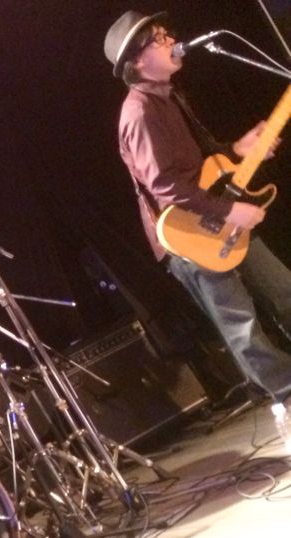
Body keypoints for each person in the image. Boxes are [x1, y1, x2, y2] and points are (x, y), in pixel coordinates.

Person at [105, 10, 291, 443]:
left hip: (214, 215)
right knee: (243, 327)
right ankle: (287, 396)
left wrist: (236, 150)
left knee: (284, 290)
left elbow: (196, 170)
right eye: (157, 38)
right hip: (191, 237)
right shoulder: (139, 111)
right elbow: (165, 186)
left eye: (166, 32)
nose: (170, 39)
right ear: (137, 61)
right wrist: (229, 211)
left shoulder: (169, 97)